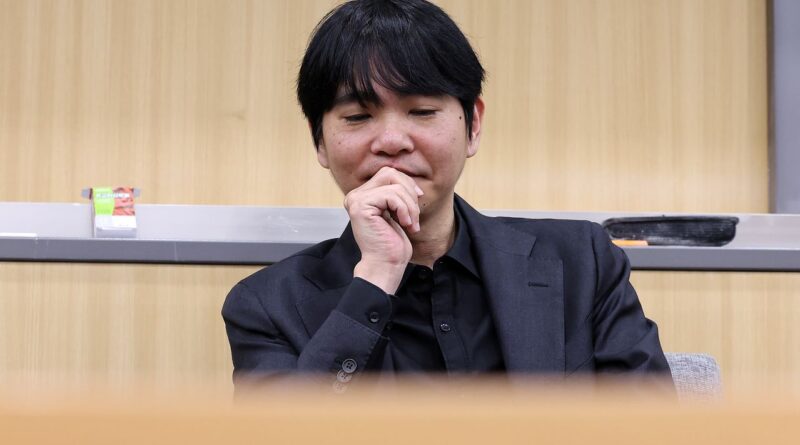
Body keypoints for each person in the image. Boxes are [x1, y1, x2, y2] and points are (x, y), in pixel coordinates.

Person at [222, 0, 672, 392]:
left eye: (422, 111)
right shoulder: (265, 305)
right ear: (319, 141)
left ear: (473, 125)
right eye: (358, 116)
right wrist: (374, 280)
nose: (392, 141)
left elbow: (652, 427)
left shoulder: (583, 263)